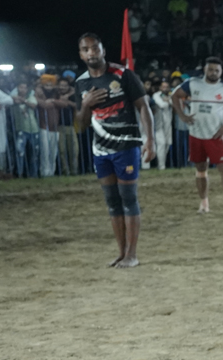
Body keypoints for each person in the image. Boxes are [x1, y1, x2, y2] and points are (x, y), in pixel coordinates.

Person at [74, 33, 155, 268]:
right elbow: (80, 125)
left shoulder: (123, 74)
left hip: (126, 146)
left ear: (103, 50)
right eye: (86, 49)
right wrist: (86, 105)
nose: (91, 52)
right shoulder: (81, 83)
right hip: (101, 150)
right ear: (81, 55)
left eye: (95, 48)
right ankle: (121, 253)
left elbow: (143, 107)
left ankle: (132, 254)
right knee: (112, 201)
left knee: (128, 198)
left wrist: (150, 140)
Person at [171, 56, 223, 214]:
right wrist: (182, 115)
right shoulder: (193, 83)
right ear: (205, 70)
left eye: (217, 70)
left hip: (215, 135)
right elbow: (175, 96)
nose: (213, 73)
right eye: (211, 69)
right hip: (196, 134)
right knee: (200, 169)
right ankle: (204, 205)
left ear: (221, 72)